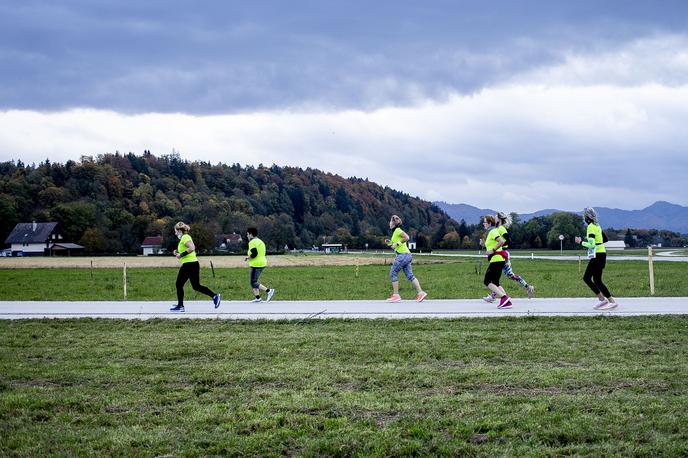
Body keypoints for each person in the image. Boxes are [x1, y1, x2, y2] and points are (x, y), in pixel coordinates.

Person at [483, 211, 535, 302]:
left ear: (499, 219)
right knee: (496, 278)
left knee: (508, 275)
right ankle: (496, 296)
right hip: (499, 254)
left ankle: (528, 287)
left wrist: (500, 249)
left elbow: (507, 241)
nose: (494, 217)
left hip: (502, 254)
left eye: (495, 217)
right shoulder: (497, 228)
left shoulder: (501, 228)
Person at [170, 222, 221, 312]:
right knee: (196, 286)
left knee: (179, 284)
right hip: (193, 264)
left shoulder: (185, 237)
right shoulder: (185, 237)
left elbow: (192, 248)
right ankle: (214, 296)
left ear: (179, 230)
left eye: (175, 231)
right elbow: (187, 249)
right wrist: (177, 253)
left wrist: (181, 255)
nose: (175, 233)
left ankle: (180, 306)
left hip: (189, 265)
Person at [575, 207, 619, 310]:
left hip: (597, 255)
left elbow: (591, 244)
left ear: (587, 217)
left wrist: (580, 242)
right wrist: (597, 243)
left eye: (584, 217)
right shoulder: (597, 226)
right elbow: (605, 239)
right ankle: (604, 300)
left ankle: (607, 300)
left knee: (587, 278)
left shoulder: (590, 227)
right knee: (597, 279)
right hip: (601, 253)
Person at [384, 215, 427, 303]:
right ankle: (421, 293)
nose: (389, 223)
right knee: (410, 275)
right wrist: (390, 243)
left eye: (390, 221)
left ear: (393, 223)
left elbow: (407, 237)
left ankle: (396, 295)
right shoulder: (395, 232)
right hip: (407, 255)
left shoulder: (397, 230)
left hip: (403, 255)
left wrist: (397, 244)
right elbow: (395, 245)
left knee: (393, 273)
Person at [481, 215, 512, 308]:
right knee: (495, 282)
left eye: (485, 222)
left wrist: (493, 250)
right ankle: (507, 301)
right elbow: (491, 245)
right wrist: (483, 244)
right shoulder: (492, 232)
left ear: (490, 223)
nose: (483, 224)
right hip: (497, 259)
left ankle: (504, 297)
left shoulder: (493, 231)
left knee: (487, 281)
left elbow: (501, 241)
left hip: (497, 260)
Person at [245, 227, 275, 303]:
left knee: (253, 282)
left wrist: (248, 257)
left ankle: (269, 291)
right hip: (262, 263)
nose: (247, 236)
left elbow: (254, 253)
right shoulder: (260, 241)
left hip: (256, 264)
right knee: (254, 281)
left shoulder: (252, 242)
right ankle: (258, 298)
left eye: (247, 234)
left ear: (251, 234)